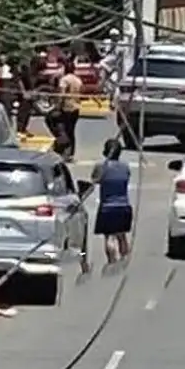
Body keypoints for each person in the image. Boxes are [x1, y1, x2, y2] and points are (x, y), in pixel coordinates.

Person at [91, 139, 133, 270]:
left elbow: (94, 179)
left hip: (107, 207)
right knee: (122, 236)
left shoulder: (101, 167)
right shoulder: (125, 167)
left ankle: (112, 260)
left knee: (109, 236)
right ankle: (124, 259)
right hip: (124, 206)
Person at [57, 58, 83, 161]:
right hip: (76, 107)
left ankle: (65, 151)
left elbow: (62, 94)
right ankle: (71, 152)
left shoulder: (64, 79)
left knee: (64, 130)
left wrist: (58, 105)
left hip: (67, 107)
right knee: (72, 131)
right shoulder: (78, 80)